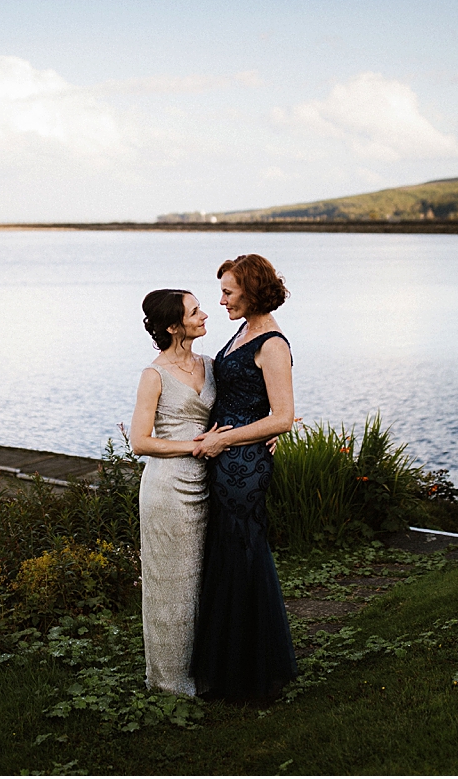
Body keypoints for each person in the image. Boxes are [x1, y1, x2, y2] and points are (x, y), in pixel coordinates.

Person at [190, 254, 297, 701]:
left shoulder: (271, 342)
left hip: (243, 467)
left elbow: (284, 416)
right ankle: (227, 663)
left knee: (243, 555)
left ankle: (250, 673)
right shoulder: (243, 331)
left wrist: (225, 442)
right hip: (228, 460)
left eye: (229, 292)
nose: (221, 301)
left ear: (251, 292)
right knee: (227, 555)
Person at [129, 289, 215, 696]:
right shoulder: (154, 375)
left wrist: (270, 431)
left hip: (207, 485)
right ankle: (169, 683)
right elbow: (140, 442)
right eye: (195, 311)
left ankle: (206, 669)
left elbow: (236, 416)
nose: (205, 315)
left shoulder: (212, 366)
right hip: (167, 488)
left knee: (203, 581)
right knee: (169, 583)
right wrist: (195, 446)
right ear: (172, 326)